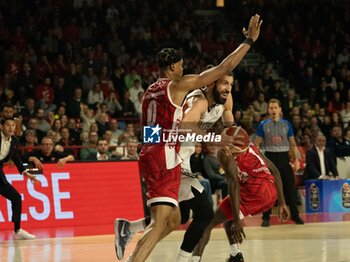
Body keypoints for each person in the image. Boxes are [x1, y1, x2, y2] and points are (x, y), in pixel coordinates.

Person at [120, 14, 262, 262]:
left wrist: (162, 143)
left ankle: (128, 229)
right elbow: (223, 68)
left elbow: (148, 131)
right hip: (167, 157)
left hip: (151, 153)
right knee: (163, 223)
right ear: (173, 67)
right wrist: (249, 41)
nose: (184, 69)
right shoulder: (178, 87)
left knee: (175, 218)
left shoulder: (149, 92)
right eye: (182, 65)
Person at [115, 71, 242, 261]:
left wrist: (234, 139)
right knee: (205, 213)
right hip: (172, 160)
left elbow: (229, 125)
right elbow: (183, 128)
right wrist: (216, 138)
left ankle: (128, 228)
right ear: (211, 83)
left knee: (178, 218)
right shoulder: (198, 101)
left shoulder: (224, 97)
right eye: (224, 83)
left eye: (230, 84)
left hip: (182, 160)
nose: (228, 88)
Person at [192, 142, 290, 262]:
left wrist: (238, 221)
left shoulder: (227, 156)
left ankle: (194, 259)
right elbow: (275, 171)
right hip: (270, 191)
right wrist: (282, 203)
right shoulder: (252, 147)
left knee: (209, 222)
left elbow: (234, 188)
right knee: (228, 219)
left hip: (254, 191)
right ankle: (235, 255)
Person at [254, 98, 304, 226]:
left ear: (280, 109)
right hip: (270, 157)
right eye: (271, 108)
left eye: (275, 107)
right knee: (269, 189)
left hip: (284, 158)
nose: (273, 110)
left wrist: (297, 160)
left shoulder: (287, 124)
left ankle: (295, 215)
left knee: (290, 188)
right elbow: (256, 145)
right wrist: (258, 160)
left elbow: (293, 144)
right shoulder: (263, 125)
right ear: (268, 110)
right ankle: (266, 218)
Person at [0, 117, 38, 240]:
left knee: (16, 198)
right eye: (8, 125)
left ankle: (17, 230)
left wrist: (27, 174)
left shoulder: (15, 141)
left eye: (13, 125)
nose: (11, 128)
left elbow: (16, 159)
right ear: (1, 126)